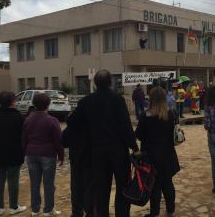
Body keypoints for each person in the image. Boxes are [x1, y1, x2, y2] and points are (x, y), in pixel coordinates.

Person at [72, 70, 139, 217]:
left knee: (100, 189)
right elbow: (125, 126)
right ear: (111, 83)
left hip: (96, 151)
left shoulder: (85, 102)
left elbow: (72, 123)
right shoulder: (117, 100)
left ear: (95, 84)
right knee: (123, 186)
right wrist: (134, 147)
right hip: (118, 150)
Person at [136, 87, 180, 217]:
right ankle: (171, 209)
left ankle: (154, 213)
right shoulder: (171, 114)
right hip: (167, 155)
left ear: (151, 99)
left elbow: (139, 135)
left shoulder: (145, 116)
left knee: (154, 186)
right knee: (168, 183)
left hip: (151, 157)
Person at [0, 92, 27, 216]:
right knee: (13, 180)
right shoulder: (19, 117)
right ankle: (13, 207)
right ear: (12, 102)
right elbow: (24, 136)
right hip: (14, 153)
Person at [23, 93, 64, 216]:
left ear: (34, 104)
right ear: (48, 104)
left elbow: (23, 139)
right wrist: (61, 155)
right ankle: (48, 210)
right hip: (48, 154)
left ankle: (35, 210)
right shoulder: (52, 120)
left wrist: (25, 151)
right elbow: (58, 140)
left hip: (31, 153)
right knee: (48, 183)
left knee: (34, 184)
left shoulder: (28, 119)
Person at [61, 103, 93, 216]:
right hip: (90, 159)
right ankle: (89, 211)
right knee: (89, 187)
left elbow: (63, 142)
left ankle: (76, 212)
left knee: (76, 187)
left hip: (75, 159)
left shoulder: (71, 127)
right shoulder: (91, 126)